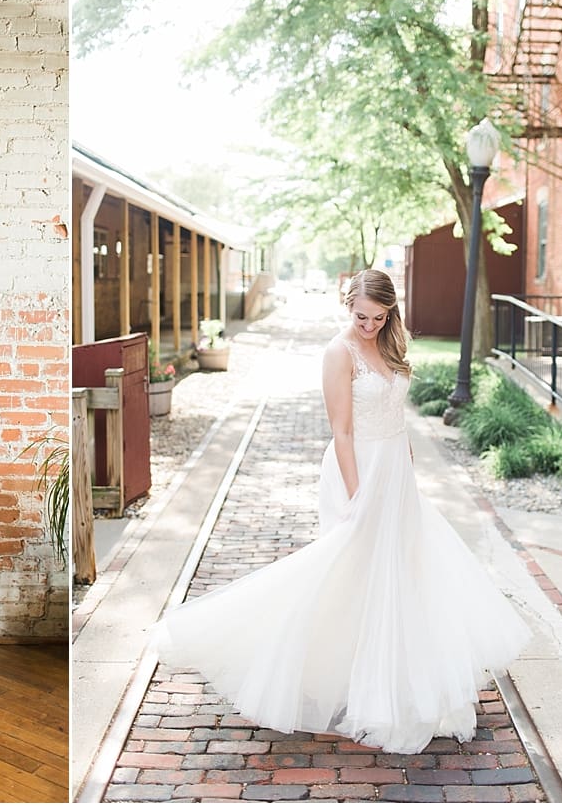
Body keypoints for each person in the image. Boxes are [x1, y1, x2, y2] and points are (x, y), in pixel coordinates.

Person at [151, 269, 531, 754]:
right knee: (349, 574)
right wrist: (358, 498)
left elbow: (397, 418)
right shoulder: (339, 352)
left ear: (390, 312)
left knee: (399, 574)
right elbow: (343, 431)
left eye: (379, 316)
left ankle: (389, 681)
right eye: (361, 316)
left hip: (394, 470)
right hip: (358, 470)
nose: (369, 324)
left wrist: (408, 474)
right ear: (347, 305)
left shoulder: (391, 346)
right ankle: (307, 668)